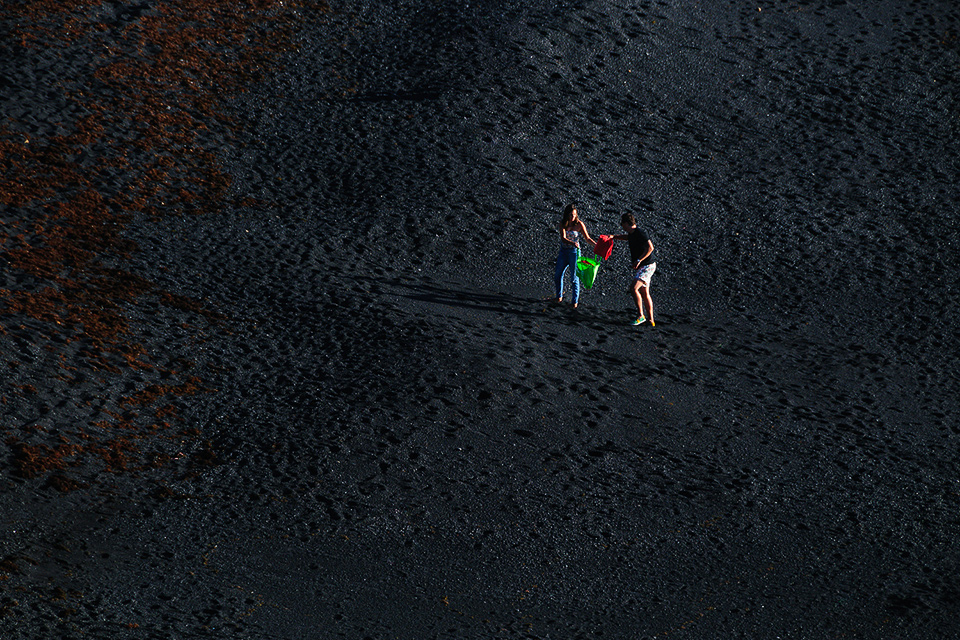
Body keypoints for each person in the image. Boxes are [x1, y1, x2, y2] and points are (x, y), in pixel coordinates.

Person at [612, 212, 656, 326]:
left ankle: (641, 316)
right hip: (645, 266)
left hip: (647, 265)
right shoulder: (632, 234)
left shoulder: (641, 233)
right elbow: (627, 238)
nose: (621, 225)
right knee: (644, 292)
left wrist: (639, 260)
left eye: (622, 223)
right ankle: (651, 320)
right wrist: (614, 237)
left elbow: (650, 248)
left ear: (627, 223)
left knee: (633, 288)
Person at [554, 203, 596, 308]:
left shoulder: (579, 224)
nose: (572, 217)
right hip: (564, 251)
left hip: (574, 253)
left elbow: (587, 238)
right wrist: (572, 243)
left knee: (574, 277)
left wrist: (597, 245)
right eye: (570, 215)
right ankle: (559, 297)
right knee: (558, 274)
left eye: (574, 215)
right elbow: (563, 238)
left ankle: (574, 302)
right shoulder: (563, 223)